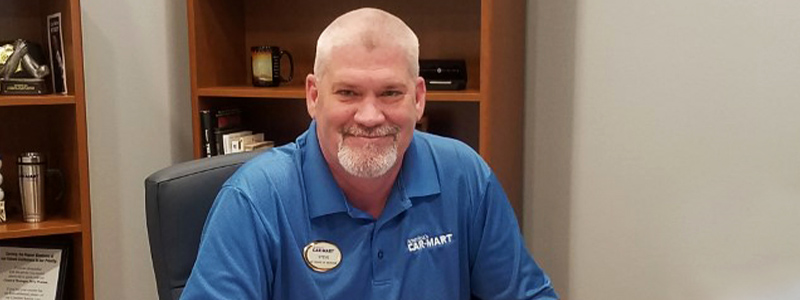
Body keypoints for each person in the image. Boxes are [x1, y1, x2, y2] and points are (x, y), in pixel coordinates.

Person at [181, 7, 558, 300]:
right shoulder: (255, 199)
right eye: (348, 93)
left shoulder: (463, 176)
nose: (370, 116)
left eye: (391, 93)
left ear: (418, 98)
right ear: (313, 96)